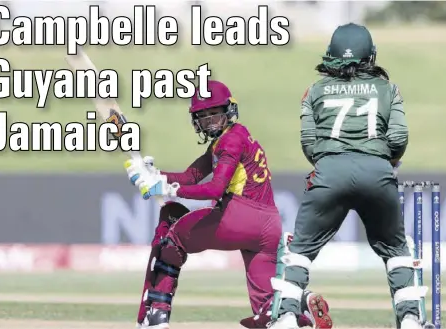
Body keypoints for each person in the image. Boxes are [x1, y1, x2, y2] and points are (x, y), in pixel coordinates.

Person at [124, 80, 332, 329]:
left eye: (215, 113)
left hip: (240, 216)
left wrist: (168, 189)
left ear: (228, 111)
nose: (210, 120)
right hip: (268, 228)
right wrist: (156, 175)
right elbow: (191, 176)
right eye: (203, 115)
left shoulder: (230, 142)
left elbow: (214, 189)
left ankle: (156, 316)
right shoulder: (234, 136)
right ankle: (301, 308)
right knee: (268, 310)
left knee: (173, 237)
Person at [268, 23, 427, 329]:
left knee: (299, 248)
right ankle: (409, 319)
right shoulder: (388, 89)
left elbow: (309, 144)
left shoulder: (314, 90)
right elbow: (399, 138)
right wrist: (383, 160)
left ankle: (287, 316)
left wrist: (331, 161)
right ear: (370, 55)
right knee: (396, 249)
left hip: (329, 173)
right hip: (377, 173)